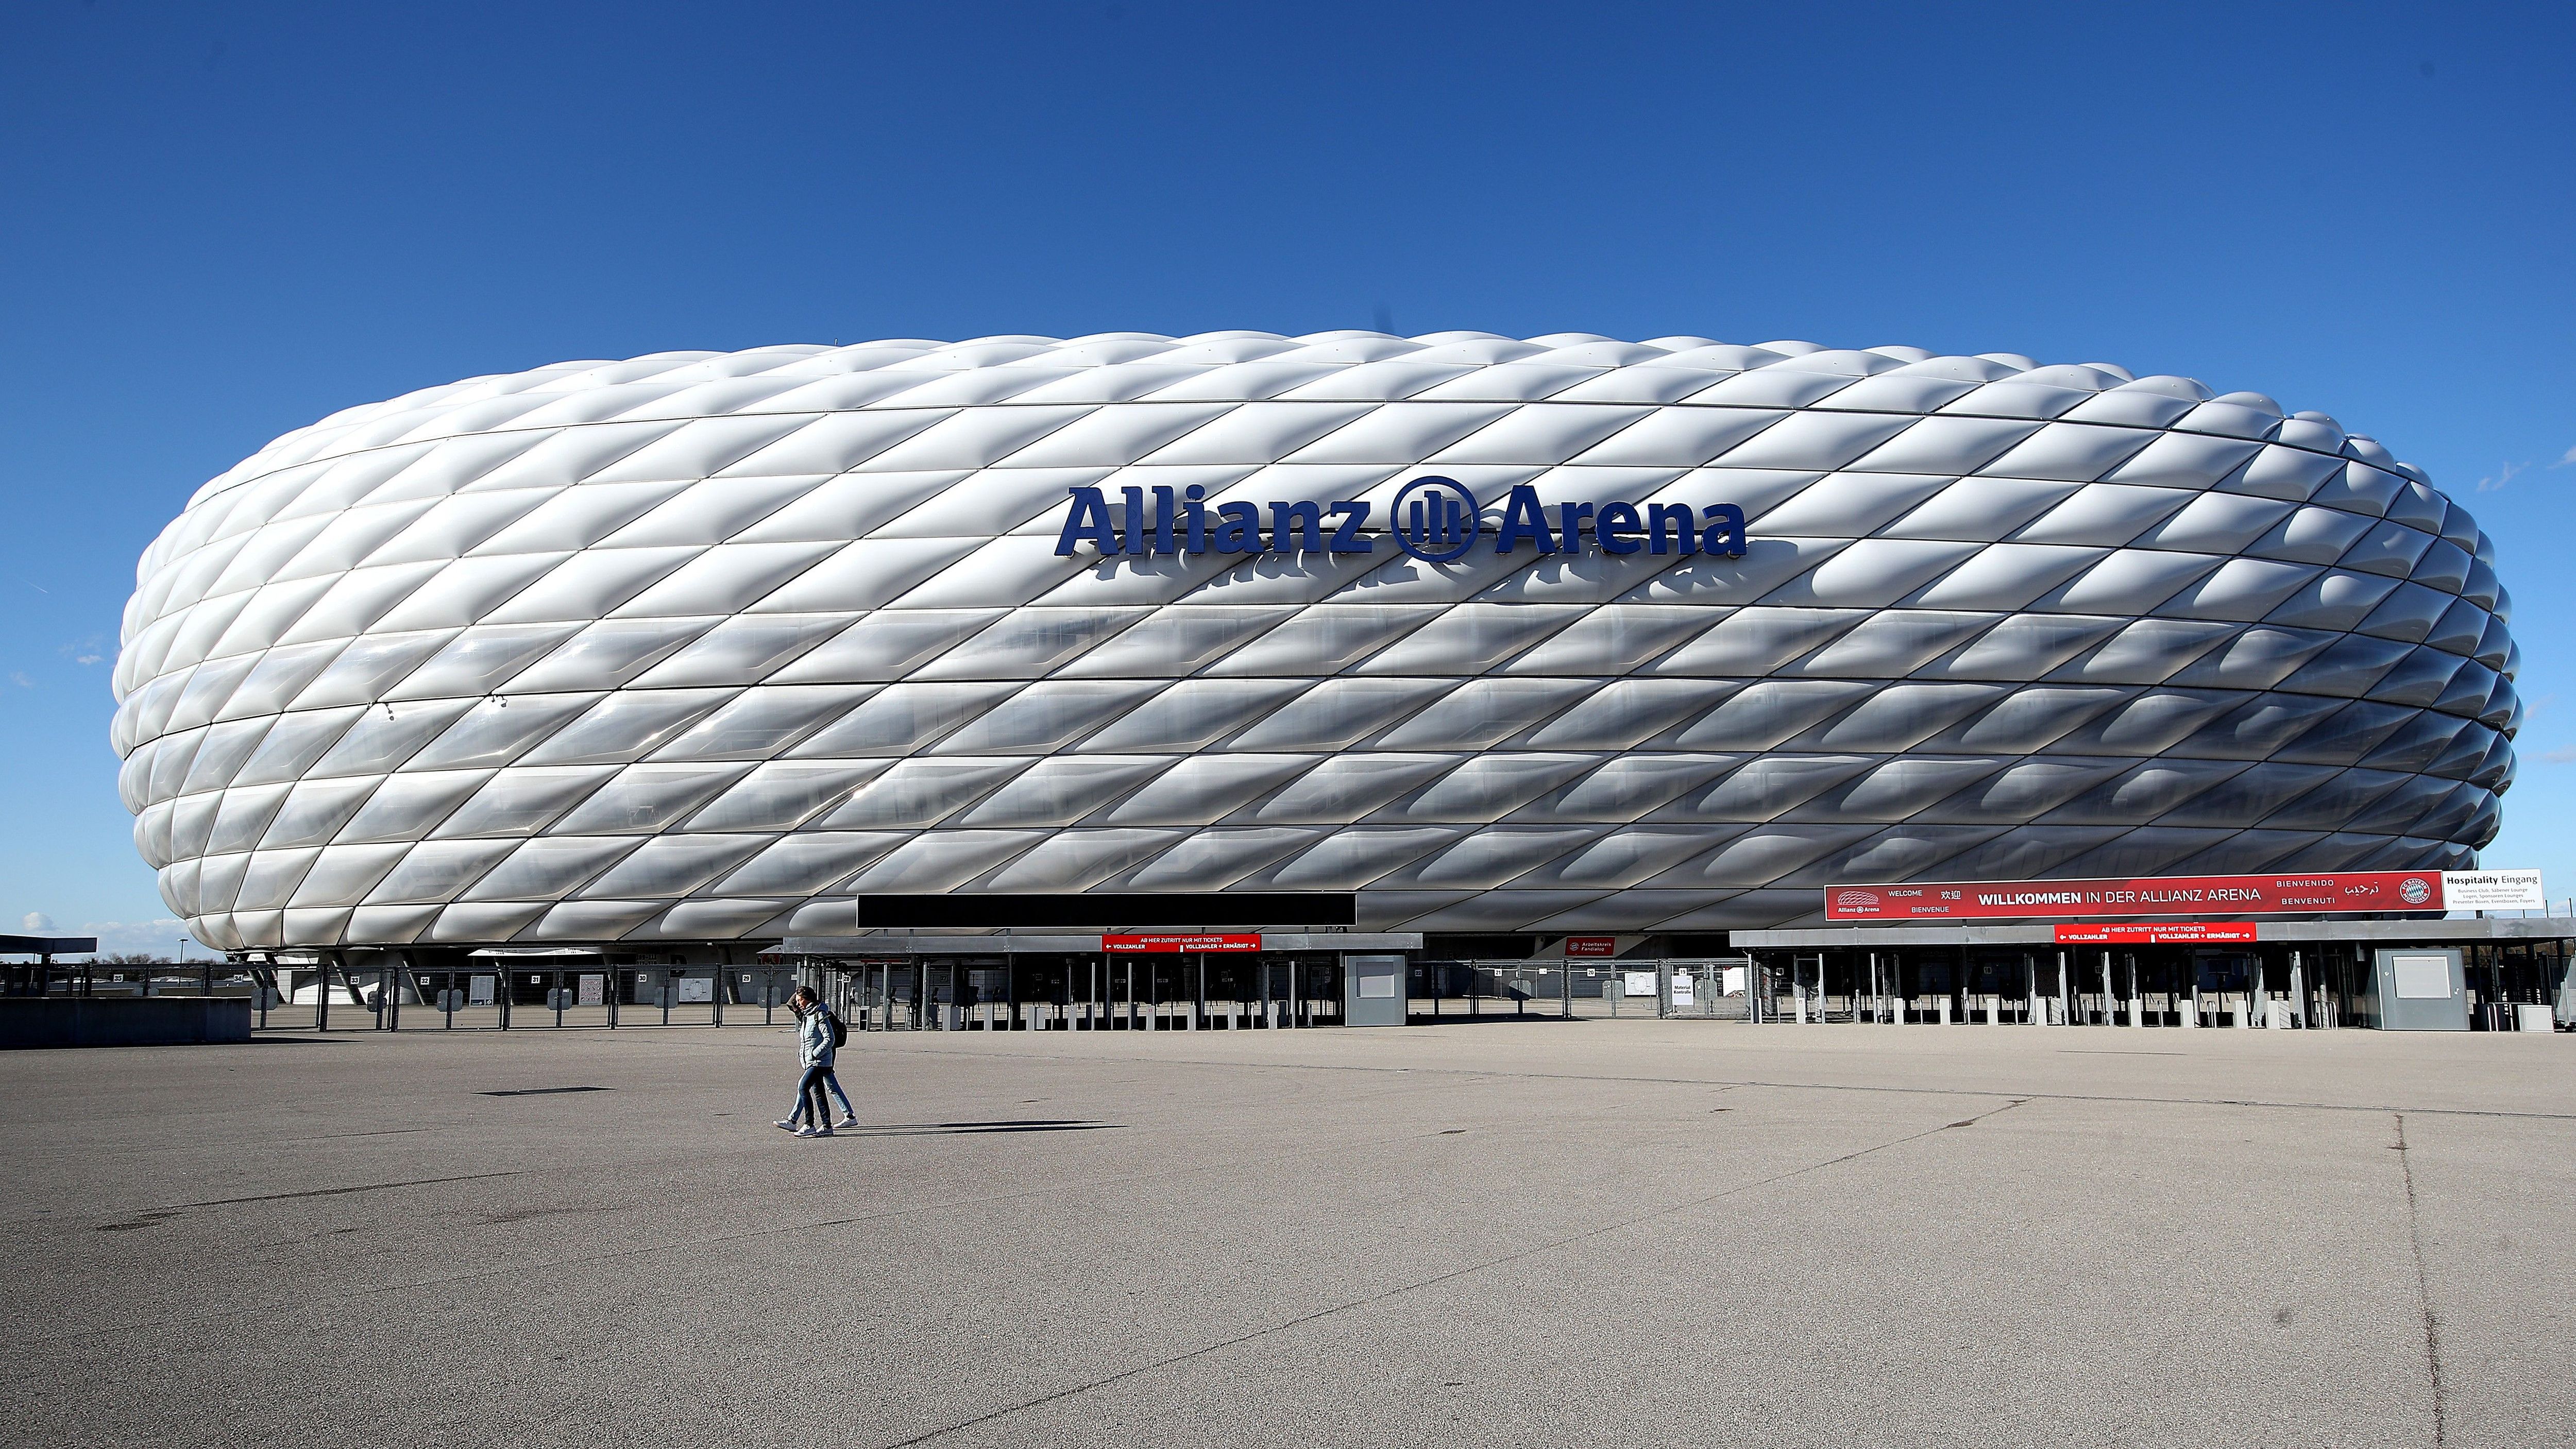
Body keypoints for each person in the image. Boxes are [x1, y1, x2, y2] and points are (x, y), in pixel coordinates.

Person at [775, 986, 841, 1137]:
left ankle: (809, 1124)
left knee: (803, 1087)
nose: (798, 1004)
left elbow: (830, 1038)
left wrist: (814, 1053)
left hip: (820, 1061)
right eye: (797, 1001)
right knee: (819, 1093)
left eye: (800, 1000)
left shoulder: (819, 1014)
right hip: (812, 1061)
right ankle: (827, 1126)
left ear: (807, 999)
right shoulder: (807, 1015)